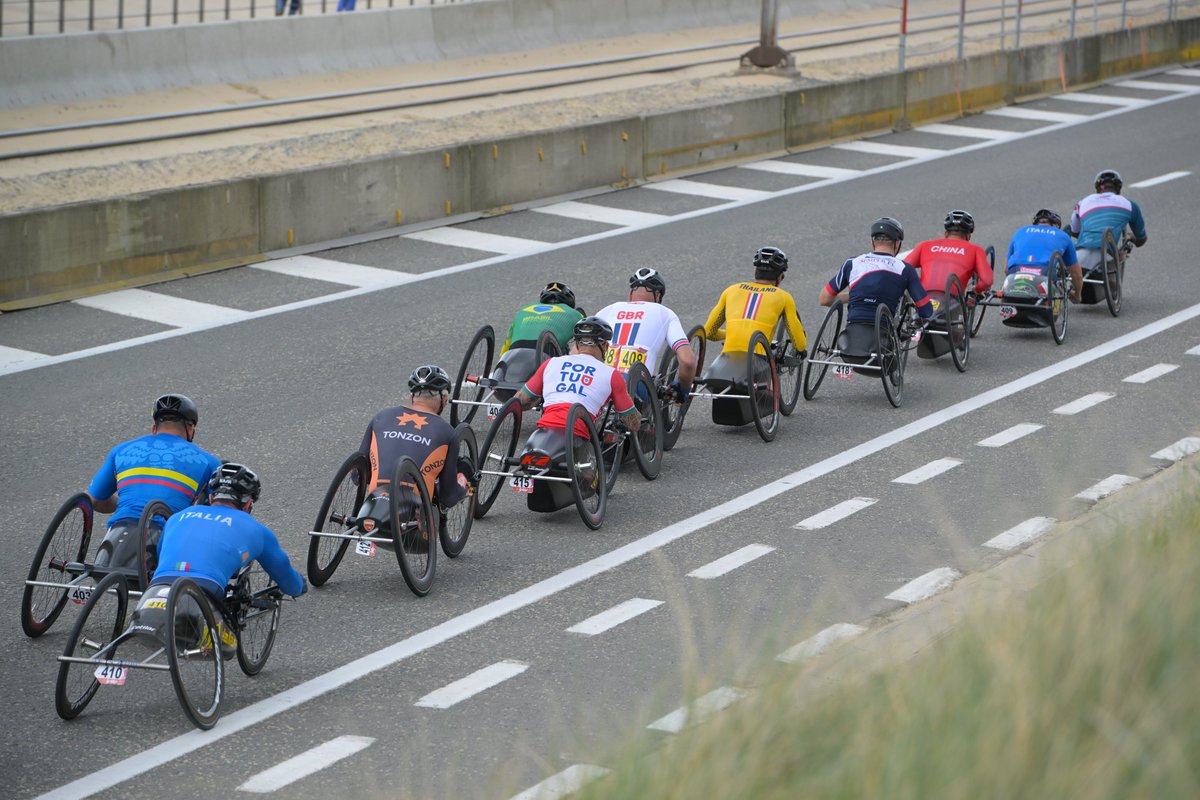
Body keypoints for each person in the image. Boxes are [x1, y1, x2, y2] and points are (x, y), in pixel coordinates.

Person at [129, 463, 306, 653]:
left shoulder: (178, 517)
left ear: (212, 497)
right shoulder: (256, 529)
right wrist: (299, 587)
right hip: (203, 593)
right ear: (248, 503)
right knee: (229, 647)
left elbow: (161, 553)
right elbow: (288, 581)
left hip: (157, 590)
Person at [86, 393, 222, 572]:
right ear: (190, 428)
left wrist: (126, 502)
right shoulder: (209, 462)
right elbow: (219, 516)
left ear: (154, 428)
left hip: (110, 549)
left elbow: (93, 501)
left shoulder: (121, 450)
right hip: (160, 549)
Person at [358, 365, 468, 511]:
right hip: (411, 510)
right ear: (444, 399)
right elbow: (448, 498)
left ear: (411, 396)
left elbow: (357, 475)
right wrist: (463, 482)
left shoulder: (382, 416)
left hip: (375, 501)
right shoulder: (447, 432)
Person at [819, 218, 933, 353]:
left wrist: (857, 296)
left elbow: (824, 299)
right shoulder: (905, 269)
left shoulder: (852, 263)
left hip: (850, 339)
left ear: (872, 241)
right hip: (882, 341)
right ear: (897, 243)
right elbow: (926, 311)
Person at [516, 316, 641, 438]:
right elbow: (633, 424)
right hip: (577, 434)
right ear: (604, 346)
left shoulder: (551, 363)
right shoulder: (612, 375)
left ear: (576, 344)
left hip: (544, 431)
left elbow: (520, 400)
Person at [595, 267, 697, 403]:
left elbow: (577, 352)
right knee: (639, 418)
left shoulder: (607, 310)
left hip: (596, 380)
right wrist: (683, 389)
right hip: (634, 386)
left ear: (631, 293)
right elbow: (687, 362)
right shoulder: (664, 313)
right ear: (658, 296)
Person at [702, 246, 808, 370]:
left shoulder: (731, 290)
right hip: (757, 360)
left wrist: (731, 332)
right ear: (780, 278)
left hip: (727, 359)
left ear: (755, 272)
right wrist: (801, 351)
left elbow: (708, 332)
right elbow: (798, 342)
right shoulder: (784, 297)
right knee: (768, 388)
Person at [1068, 169, 1148, 278]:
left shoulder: (1082, 202)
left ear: (1097, 188)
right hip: (1106, 256)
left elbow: (1075, 232)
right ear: (1118, 189)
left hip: (1080, 254)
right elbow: (1141, 239)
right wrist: (1132, 239)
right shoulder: (1130, 205)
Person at [903, 209, 994, 299]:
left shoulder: (925, 245)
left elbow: (902, 268)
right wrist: (976, 290)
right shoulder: (975, 250)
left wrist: (916, 284)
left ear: (946, 234)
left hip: (923, 296)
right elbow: (987, 281)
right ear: (968, 236)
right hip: (951, 299)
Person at [1005, 209, 1082, 301]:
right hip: (1044, 271)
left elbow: (1006, 268)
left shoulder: (1020, 231)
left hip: (1016, 270)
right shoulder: (1062, 235)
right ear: (1056, 225)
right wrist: (1077, 295)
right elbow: (1076, 274)